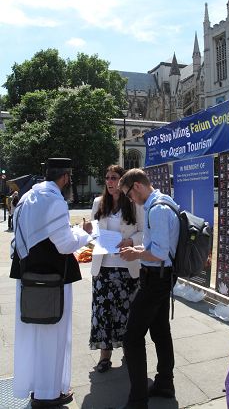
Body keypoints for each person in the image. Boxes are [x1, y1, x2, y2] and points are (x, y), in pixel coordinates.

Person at [10, 158, 92, 408]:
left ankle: (39, 388)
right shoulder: (54, 200)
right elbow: (65, 243)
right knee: (52, 335)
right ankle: (48, 394)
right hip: (51, 280)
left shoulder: (28, 196)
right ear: (65, 177)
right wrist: (85, 231)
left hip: (29, 275)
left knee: (35, 335)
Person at [115, 168, 180, 409]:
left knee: (132, 337)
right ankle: (164, 384)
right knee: (161, 331)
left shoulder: (157, 209)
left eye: (129, 194)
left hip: (156, 278)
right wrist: (139, 249)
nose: (130, 199)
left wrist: (136, 253)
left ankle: (138, 400)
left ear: (138, 186)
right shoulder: (163, 201)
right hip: (160, 277)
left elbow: (159, 253)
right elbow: (158, 244)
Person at [84, 165, 144, 373]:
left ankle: (129, 352)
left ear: (122, 180)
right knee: (103, 314)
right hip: (103, 268)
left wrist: (129, 240)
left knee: (128, 313)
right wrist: (88, 233)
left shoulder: (134, 204)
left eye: (114, 178)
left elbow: (144, 233)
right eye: (107, 177)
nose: (109, 181)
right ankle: (104, 356)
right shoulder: (98, 203)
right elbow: (92, 235)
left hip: (128, 269)